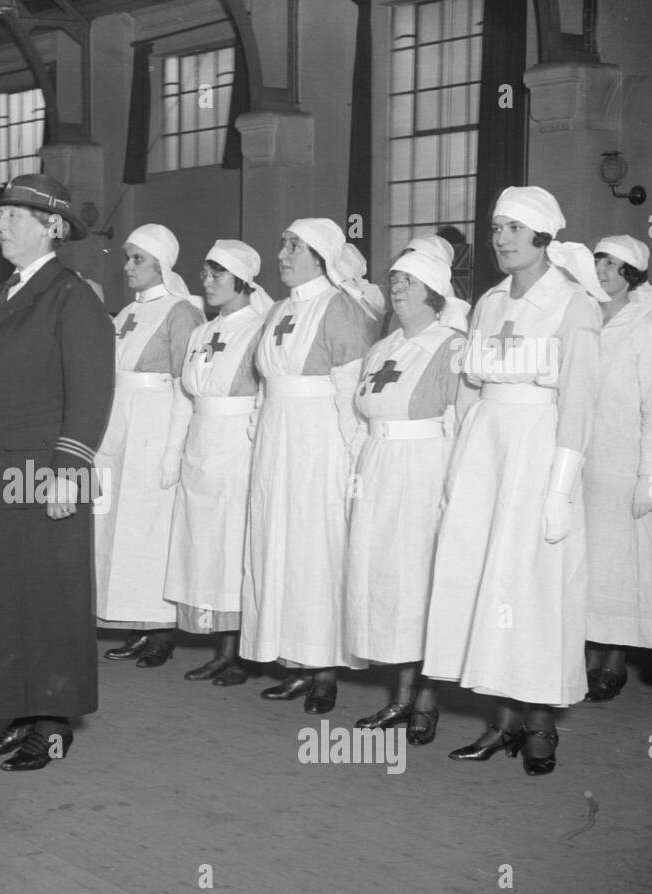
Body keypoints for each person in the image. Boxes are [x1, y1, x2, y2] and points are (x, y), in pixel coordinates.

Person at [425, 186, 603, 775]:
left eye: (510, 229)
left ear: (543, 238)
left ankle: (542, 725)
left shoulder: (573, 305)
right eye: (496, 228)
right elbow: (470, 390)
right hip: (485, 449)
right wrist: (457, 467)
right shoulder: (489, 302)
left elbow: (579, 402)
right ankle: (503, 720)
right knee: (488, 581)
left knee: (532, 586)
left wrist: (559, 489)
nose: (498, 238)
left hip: (538, 449)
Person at [0, 173, 115, 771]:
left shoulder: (70, 295)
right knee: (1, 596)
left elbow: (93, 387)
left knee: (48, 598)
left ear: (51, 227)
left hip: (39, 471)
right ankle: (17, 711)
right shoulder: (9, 292)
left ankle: (49, 724)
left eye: (13, 217)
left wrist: (68, 472)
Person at [241, 218, 382, 713]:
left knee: (317, 549)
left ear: (321, 257)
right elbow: (263, 385)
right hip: (277, 442)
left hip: (320, 443)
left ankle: (325, 669)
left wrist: (354, 462)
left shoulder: (341, 309)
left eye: (294, 246)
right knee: (276, 543)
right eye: (282, 242)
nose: (282, 252)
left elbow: (351, 394)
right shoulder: (279, 309)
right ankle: (294, 661)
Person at [345, 250, 463, 745]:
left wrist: (455, 490)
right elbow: (362, 415)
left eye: (409, 281)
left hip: (423, 469)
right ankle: (399, 693)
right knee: (387, 584)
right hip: (378, 465)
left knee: (421, 582)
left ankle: (427, 700)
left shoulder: (451, 346)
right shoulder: (384, 346)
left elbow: (461, 422)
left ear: (433, 292)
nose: (396, 287)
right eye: (394, 278)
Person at [96, 224, 204, 669]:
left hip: (155, 426)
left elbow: (187, 385)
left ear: (161, 263)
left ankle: (162, 628)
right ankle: (136, 622)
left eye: (137, 259)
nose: (127, 267)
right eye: (126, 257)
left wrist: (173, 450)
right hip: (120, 423)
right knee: (121, 526)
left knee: (152, 528)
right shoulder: (125, 314)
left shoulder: (181, 313)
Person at [162, 240, 267, 686]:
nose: (207, 282)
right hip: (201, 445)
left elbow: (265, 398)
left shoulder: (260, 329)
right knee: (203, 546)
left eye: (217, 274)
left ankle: (237, 651)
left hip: (236, 447)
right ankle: (217, 642)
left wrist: (255, 447)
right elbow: (186, 398)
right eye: (204, 273)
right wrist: (174, 452)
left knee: (232, 549)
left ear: (243, 281)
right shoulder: (202, 332)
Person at [581, 236, 652, 701]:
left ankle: (613, 658)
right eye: (599, 261)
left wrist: (649, 476)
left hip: (624, 464)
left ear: (632, 275)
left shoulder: (647, 331)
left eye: (615, 265)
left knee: (620, 565)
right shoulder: (582, 319)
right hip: (583, 459)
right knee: (588, 561)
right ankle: (586, 652)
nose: (603, 271)